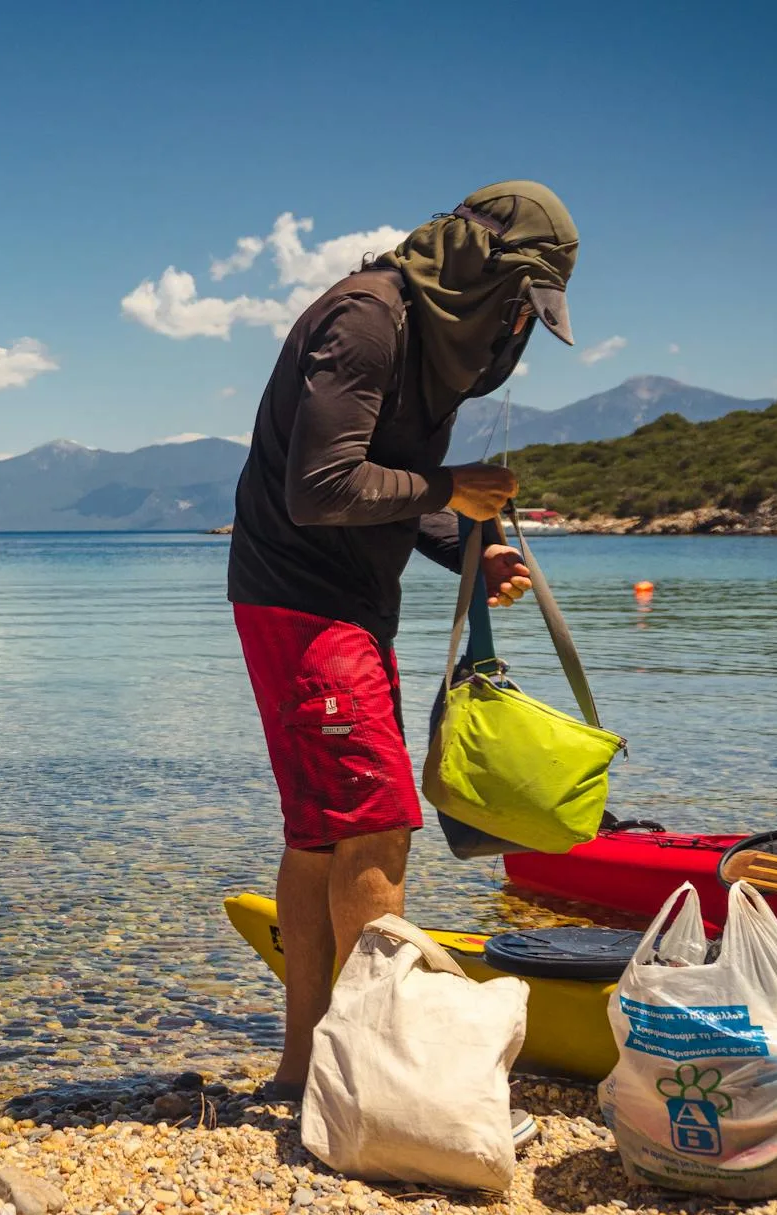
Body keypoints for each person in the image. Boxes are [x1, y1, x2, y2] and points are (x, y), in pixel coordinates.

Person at [228, 181, 579, 1101]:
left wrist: (468, 544)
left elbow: (392, 491)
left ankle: (307, 1072)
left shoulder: (426, 341)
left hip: (333, 601)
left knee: (321, 835)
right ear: (478, 269)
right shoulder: (368, 321)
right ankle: (372, 1074)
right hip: (303, 602)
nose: (516, 332)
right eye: (517, 305)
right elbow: (322, 487)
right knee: (379, 821)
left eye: (530, 318)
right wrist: (449, 489)